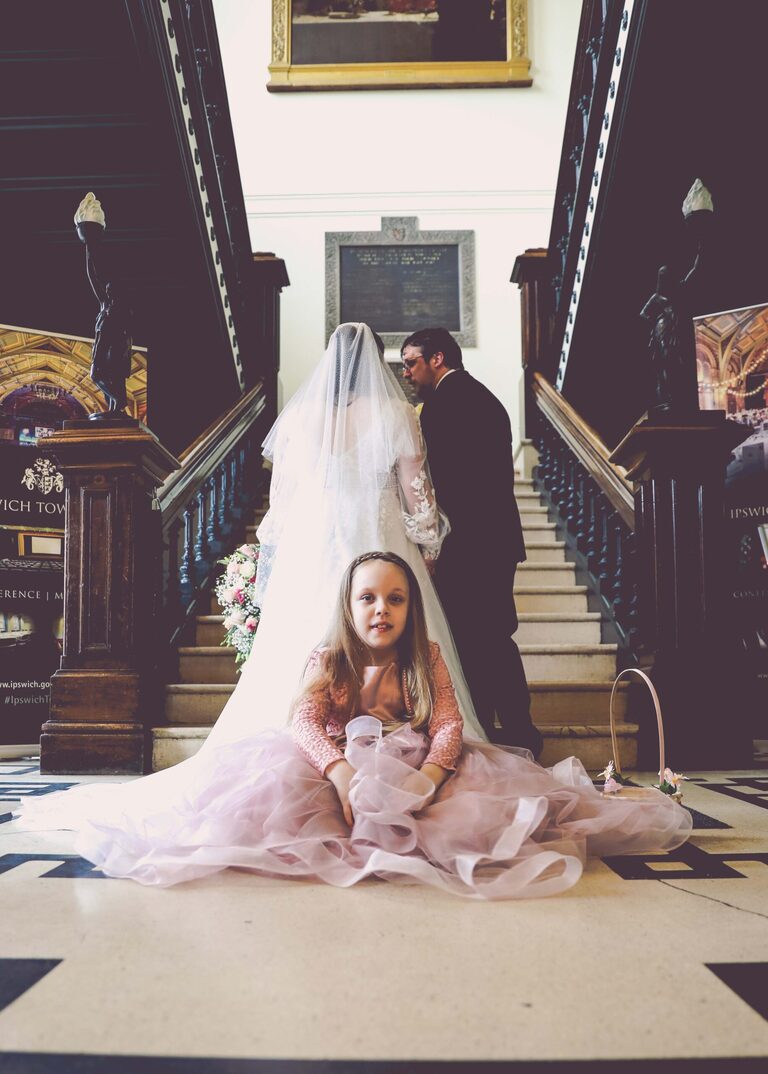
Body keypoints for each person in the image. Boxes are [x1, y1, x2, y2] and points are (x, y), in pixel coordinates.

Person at [21, 551, 691, 896]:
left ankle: (416, 810)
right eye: (368, 598)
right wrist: (340, 771)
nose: (381, 610)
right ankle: (348, 812)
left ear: (410, 609)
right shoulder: (330, 657)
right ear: (349, 605)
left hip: (416, 762)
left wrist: (429, 775)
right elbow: (306, 727)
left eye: (395, 599)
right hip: (337, 764)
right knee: (278, 795)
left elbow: (452, 727)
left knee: (477, 809)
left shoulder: (423, 657)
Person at [401, 327, 543, 756]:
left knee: (477, 640)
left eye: (412, 362)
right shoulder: (485, 399)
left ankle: (504, 730)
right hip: (495, 542)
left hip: (468, 546)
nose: (406, 372)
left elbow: (443, 484)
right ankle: (509, 727)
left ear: (438, 358)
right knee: (491, 637)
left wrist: (432, 539)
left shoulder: (443, 406)